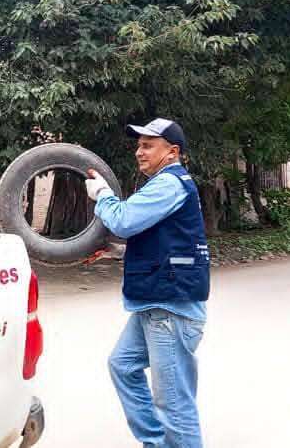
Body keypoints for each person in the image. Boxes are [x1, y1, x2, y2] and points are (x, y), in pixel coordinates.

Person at [84, 118, 210, 448]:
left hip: (170, 309)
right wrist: (114, 251)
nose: (139, 152)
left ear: (172, 151)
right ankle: (157, 443)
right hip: (155, 305)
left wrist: (102, 196)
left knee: (175, 404)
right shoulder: (164, 185)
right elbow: (158, 239)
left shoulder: (170, 184)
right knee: (123, 366)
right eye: (138, 145)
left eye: (147, 145)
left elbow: (124, 220)